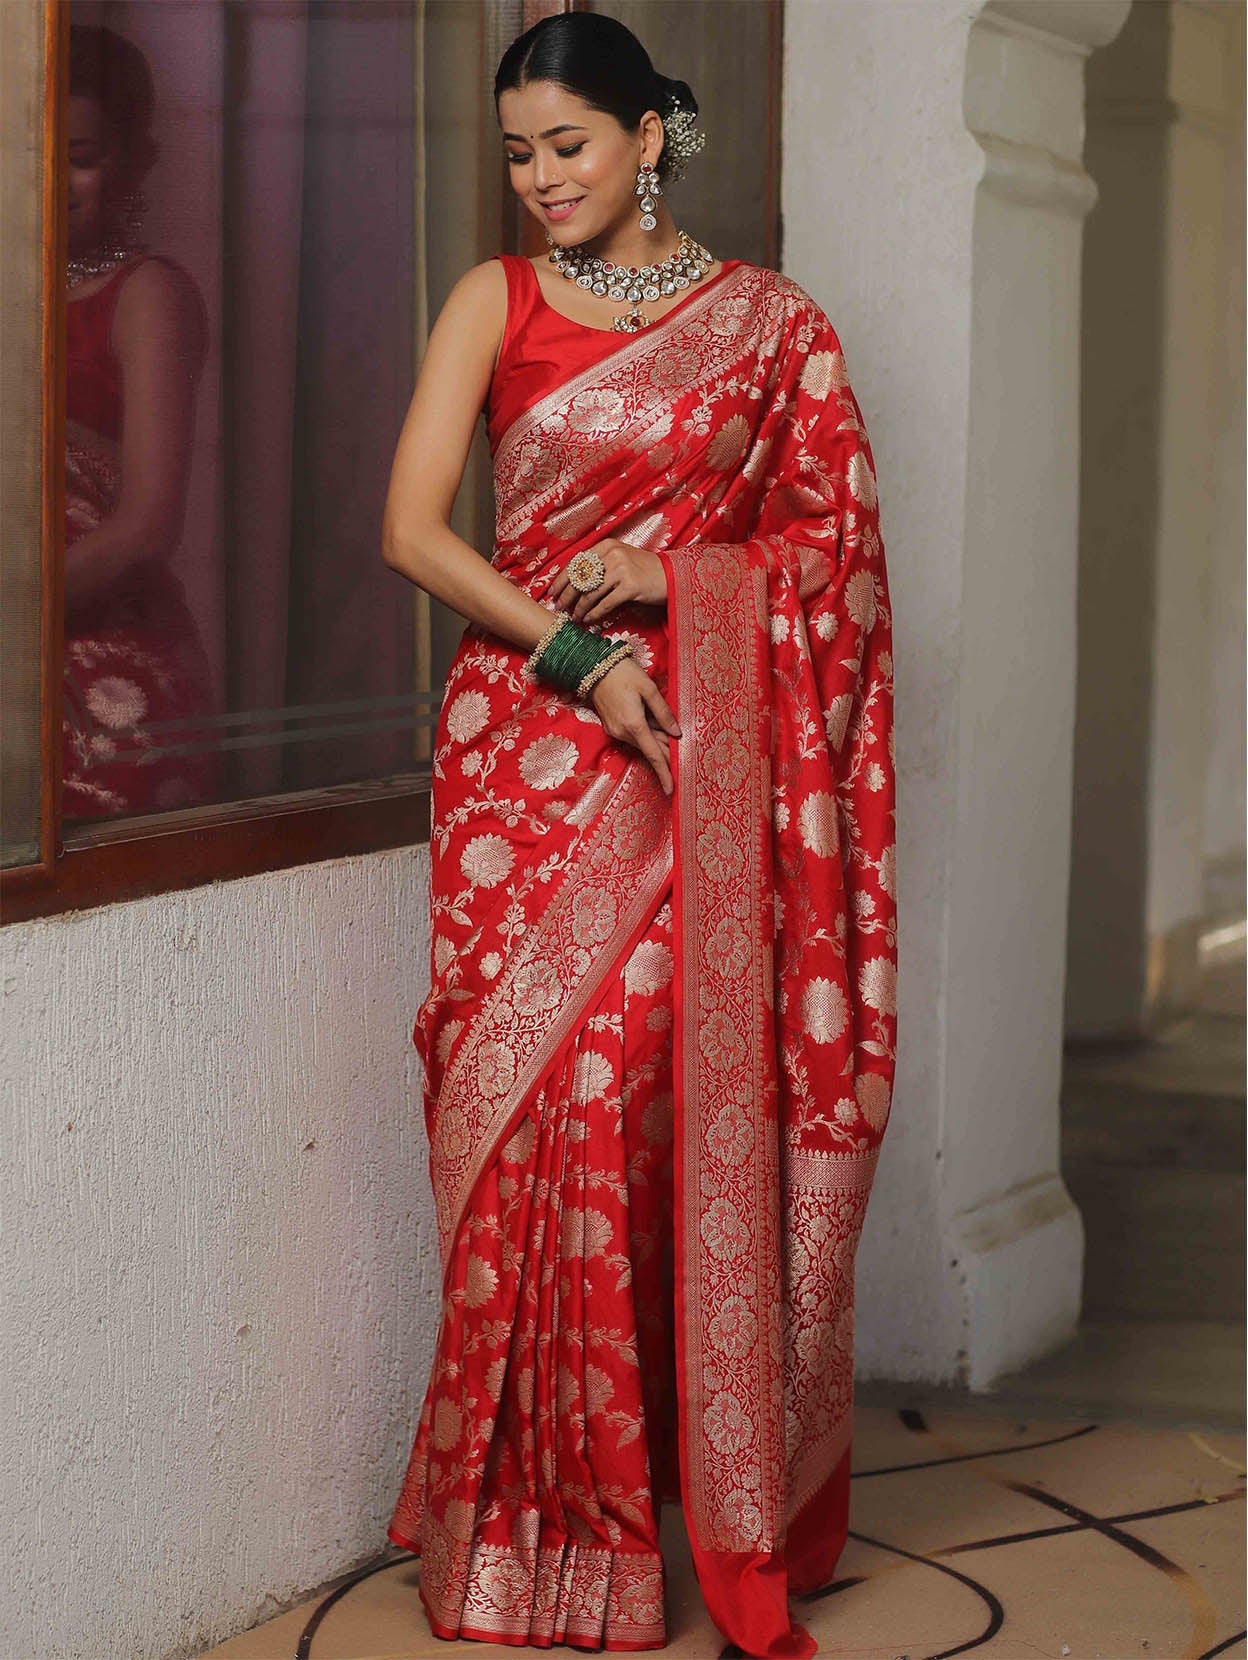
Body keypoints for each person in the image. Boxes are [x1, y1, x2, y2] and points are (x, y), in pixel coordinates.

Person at [381, 13, 897, 1657]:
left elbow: (836, 549)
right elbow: (408, 527)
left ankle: (648, 1500)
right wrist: (574, 651)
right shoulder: (494, 301)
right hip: (518, 746)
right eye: (519, 153)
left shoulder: (767, 328)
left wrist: (675, 587)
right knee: (524, 1109)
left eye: (570, 147)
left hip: (693, 755)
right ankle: (515, 1526)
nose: (540, 181)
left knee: (626, 1093)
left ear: (649, 134)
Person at [62, 22, 219, 822]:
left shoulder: (145, 294)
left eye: (81, 157)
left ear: (135, 162)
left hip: (105, 675)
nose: (53, 179)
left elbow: (146, 526)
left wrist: (18, 613)